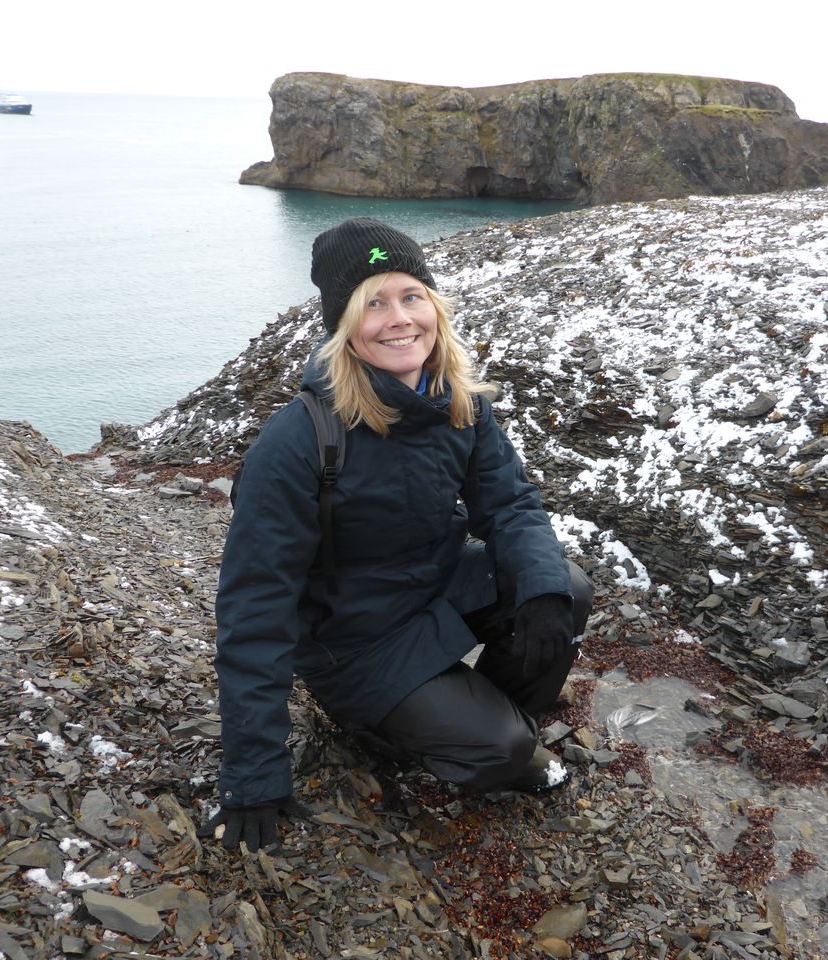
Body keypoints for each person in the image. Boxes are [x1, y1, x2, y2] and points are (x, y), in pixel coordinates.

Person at [201, 218, 592, 853]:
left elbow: (511, 505)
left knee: (562, 588)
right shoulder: (297, 442)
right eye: (373, 304)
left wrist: (541, 594)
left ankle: (474, 715)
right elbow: (254, 611)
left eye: (411, 296)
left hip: (430, 589)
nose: (399, 319)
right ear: (344, 326)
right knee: (505, 749)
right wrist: (252, 778)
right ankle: (400, 728)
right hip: (353, 641)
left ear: (434, 305)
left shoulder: (456, 400)